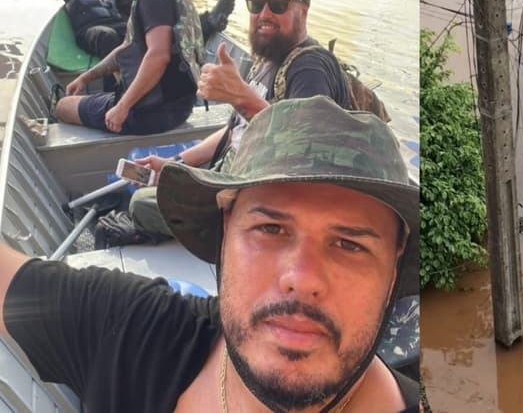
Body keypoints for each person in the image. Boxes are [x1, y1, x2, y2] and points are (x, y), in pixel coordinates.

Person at [0, 96, 420, 412]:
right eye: (270, 229)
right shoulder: (130, 332)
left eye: (350, 244)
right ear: (224, 234)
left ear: (393, 271)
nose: (302, 277)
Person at [116, 0, 351, 244]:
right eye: (256, 4)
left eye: (278, 5)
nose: (264, 14)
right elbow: (235, 130)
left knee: (141, 205)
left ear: (304, 9)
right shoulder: (266, 59)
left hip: (267, 202)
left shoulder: (309, 68)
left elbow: (307, 156)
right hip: (232, 174)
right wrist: (175, 163)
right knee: (154, 183)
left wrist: (242, 97)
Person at [53, 0, 233, 135]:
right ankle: (208, 22)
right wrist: (86, 77)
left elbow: (158, 55)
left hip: (150, 113)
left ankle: (117, 100)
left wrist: (122, 107)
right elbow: (125, 48)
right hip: (181, 107)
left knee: (63, 106)